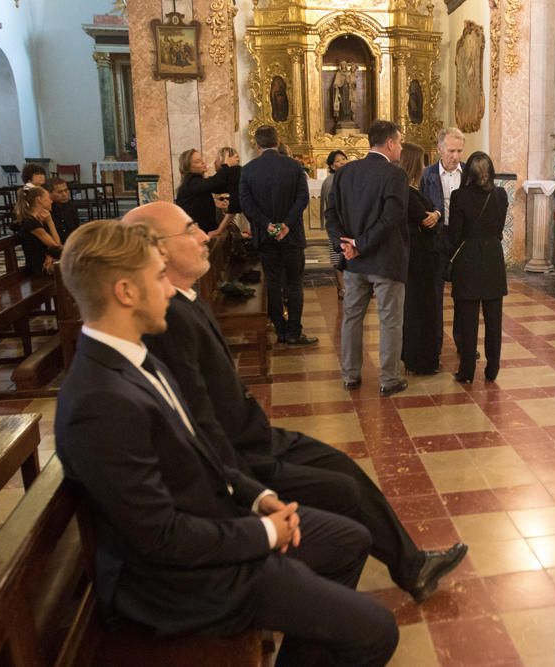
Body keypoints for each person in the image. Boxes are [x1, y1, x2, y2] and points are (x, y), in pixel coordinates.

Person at [55, 220, 398, 666]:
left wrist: (260, 499)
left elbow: (201, 448)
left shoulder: (133, 358)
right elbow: (159, 537)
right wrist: (262, 533)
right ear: (125, 291)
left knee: (348, 539)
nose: (168, 289)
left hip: (213, 527)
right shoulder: (100, 402)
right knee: (375, 632)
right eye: (158, 278)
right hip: (180, 584)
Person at [134, 201, 467, 603]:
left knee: (344, 468)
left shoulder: (184, 300)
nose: (205, 235)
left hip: (257, 437)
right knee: (342, 489)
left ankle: (411, 566)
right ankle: (330, 592)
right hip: (244, 456)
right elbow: (198, 421)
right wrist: (246, 485)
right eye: (190, 230)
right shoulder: (165, 319)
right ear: (158, 250)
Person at [325, 119, 410, 397]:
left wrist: (346, 246)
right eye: (399, 142)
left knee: (352, 317)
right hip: (385, 260)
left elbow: (332, 214)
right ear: (390, 143)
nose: (400, 147)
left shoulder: (345, 172)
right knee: (390, 320)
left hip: (355, 263)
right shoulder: (395, 175)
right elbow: (391, 218)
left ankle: (350, 375)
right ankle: (389, 379)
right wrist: (360, 244)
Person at [240, 125, 317, 346]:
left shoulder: (248, 170)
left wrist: (268, 226)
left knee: (272, 282)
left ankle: (280, 330)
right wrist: (286, 225)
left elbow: (247, 204)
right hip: (291, 236)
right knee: (294, 284)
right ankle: (294, 331)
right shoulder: (294, 166)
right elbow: (302, 198)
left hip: (265, 239)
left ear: (257, 145)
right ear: (278, 141)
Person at [448, 151, 508, 384]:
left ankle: (467, 371)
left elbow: (455, 234)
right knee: (494, 319)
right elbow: (499, 227)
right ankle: (492, 369)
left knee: (467, 318)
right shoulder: (501, 195)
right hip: (493, 256)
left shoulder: (459, 197)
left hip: (468, 260)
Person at [420, 128, 466, 360]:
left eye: (459, 151)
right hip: (436, 239)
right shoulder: (427, 175)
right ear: (439, 149)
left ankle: (464, 344)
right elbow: (420, 205)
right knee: (435, 295)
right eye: (451, 151)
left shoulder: (468, 174)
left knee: (464, 295)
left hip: (461, 241)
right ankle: (434, 346)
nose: (455, 156)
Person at [399, 142, 442, 375]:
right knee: (421, 311)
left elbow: (431, 214)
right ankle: (421, 359)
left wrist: (435, 213)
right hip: (419, 260)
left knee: (420, 309)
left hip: (419, 258)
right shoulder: (407, 191)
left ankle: (418, 356)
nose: (425, 167)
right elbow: (426, 222)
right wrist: (435, 215)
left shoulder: (411, 190)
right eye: (422, 162)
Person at [175, 148, 237, 236]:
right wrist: (226, 165)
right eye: (197, 161)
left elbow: (219, 186)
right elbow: (215, 182)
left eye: (201, 159)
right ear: (187, 167)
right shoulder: (191, 182)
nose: (203, 162)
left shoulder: (196, 182)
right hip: (195, 236)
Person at [13, 185, 61, 276]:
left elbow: (56, 246)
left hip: (48, 261)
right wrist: (50, 222)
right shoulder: (30, 222)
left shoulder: (40, 219)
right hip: (39, 267)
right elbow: (55, 246)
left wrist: (50, 255)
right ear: (39, 199)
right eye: (48, 198)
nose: (51, 201)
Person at [321, 150, 348, 300]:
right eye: (337, 160)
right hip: (336, 225)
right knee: (337, 256)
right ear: (331, 165)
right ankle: (341, 288)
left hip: (348, 224)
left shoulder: (349, 178)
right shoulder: (331, 180)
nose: (342, 162)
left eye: (344, 159)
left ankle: (351, 287)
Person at [213, 147, 245, 235]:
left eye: (237, 155)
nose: (237, 157)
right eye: (231, 155)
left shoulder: (239, 174)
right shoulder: (218, 182)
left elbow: (234, 208)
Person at [47, 177, 80, 242]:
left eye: (66, 190)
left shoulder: (71, 207)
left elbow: (76, 228)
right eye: (59, 192)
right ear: (49, 193)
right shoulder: (47, 210)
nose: (64, 194)